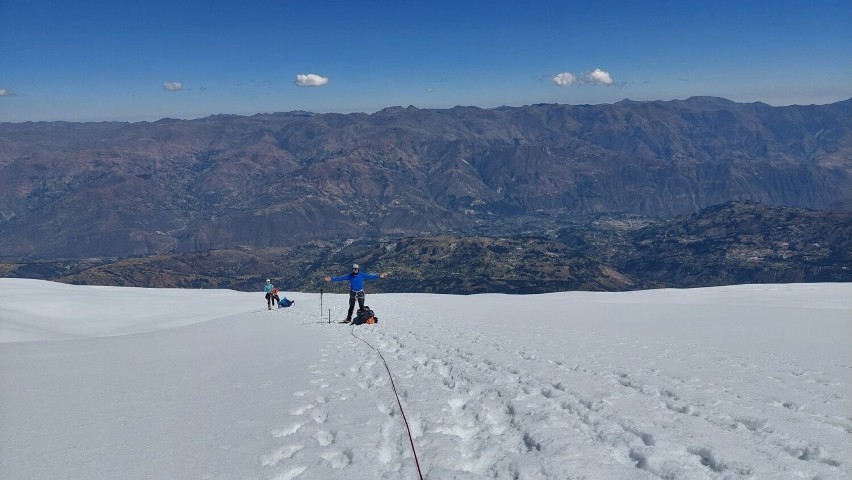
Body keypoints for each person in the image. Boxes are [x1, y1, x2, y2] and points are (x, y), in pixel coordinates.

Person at [323, 264, 388, 323]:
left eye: (356, 269)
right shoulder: (350, 276)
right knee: (351, 306)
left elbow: (371, 276)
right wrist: (331, 279)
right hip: (353, 292)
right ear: (352, 269)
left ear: (358, 269)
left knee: (361, 306)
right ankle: (349, 319)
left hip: (360, 292)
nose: (355, 270)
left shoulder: (362, 275)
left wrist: (379, 276)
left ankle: (362, 318)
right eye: (354, 269)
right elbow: (341, 278)